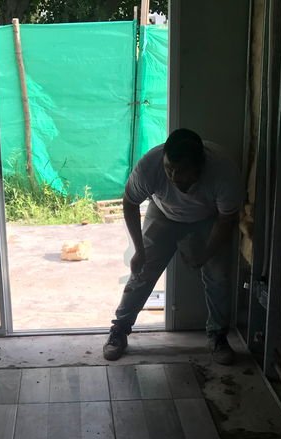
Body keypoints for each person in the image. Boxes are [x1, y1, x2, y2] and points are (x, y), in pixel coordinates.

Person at [103, 128, 242, 365]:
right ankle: (119, 329)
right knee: (142, 271)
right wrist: (139, 251)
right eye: (169, 169)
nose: (174, 177)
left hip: (208, 218)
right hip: (163, 213)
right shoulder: (150, 165)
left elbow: (226, 219)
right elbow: (130, 202)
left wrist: (206, 254)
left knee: (218, 276)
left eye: (183, 171)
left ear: (200, 166)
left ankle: (218, 336)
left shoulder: (223, 171)